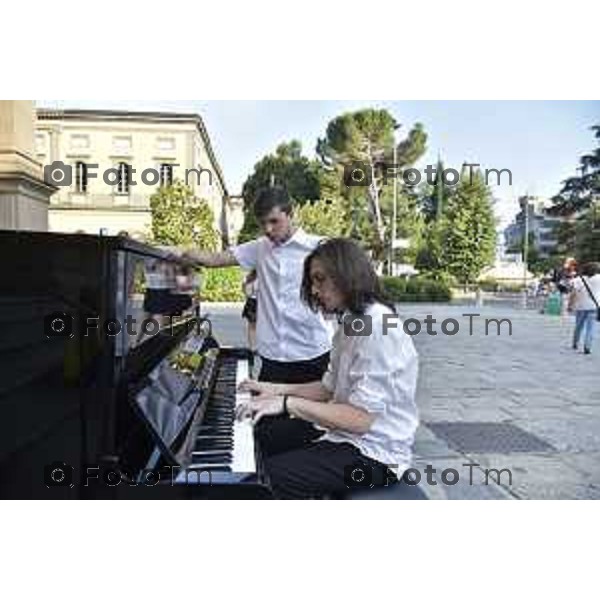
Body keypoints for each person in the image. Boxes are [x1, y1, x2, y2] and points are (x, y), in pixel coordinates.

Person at [237, 238, 419, 499]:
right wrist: (271, 390)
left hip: (376, 455)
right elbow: (327, 388)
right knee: (258, 438)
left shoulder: (378, 327)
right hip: (341, 434)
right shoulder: (352, 323)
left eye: (320, 279)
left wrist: (288, 404)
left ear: (347, 274)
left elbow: (360, 420)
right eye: (312, 281)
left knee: (267, 478)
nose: (313, 290)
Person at [183, 186, 332, 383]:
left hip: (313, 355)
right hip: (273, 359)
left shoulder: (319, 247)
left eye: (274, 221)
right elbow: (214, 259)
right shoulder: (259, 248)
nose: (268, 230)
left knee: (311, 413)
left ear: (290, 214)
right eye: (263, 224)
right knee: (265, 413)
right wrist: (177, 253)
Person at [568, 262, 600, 355]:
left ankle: (575, 343)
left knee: (578, 326)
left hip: (580, 306)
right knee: (591, 328)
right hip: (594, 306)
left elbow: (573, 294)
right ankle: (587, 347)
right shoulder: (599, 278)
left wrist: (570, 305)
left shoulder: (578, 280)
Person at [241, 269, 258, 352]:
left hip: (264, 302)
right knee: (252, 326)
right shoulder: (251, 277)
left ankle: (261, 346)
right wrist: (247, 283)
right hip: (253, 302)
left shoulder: (267, 275)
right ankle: (253, 347)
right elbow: (248, 293)